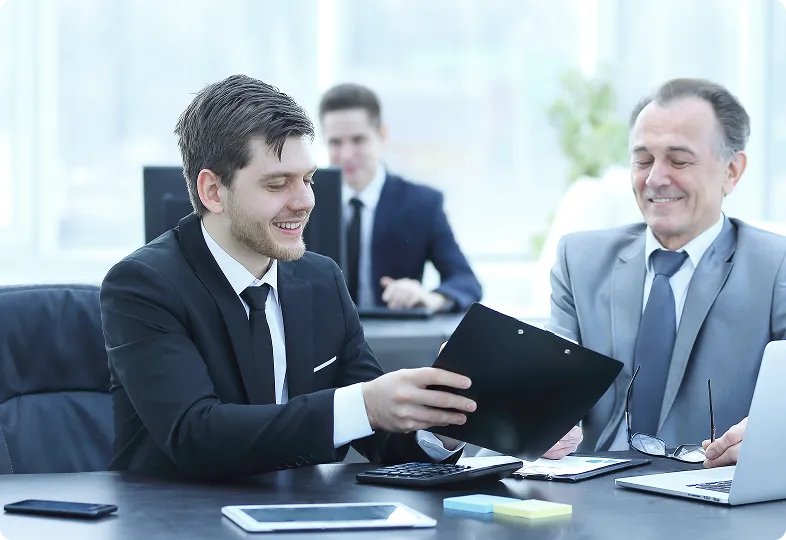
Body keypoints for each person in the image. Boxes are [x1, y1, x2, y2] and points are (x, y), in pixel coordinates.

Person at [101, 75, 575, 479]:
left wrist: (439, 423)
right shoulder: (143, 286)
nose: (305, 200)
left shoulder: (320, 279)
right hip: (182, 522)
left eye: (307, 178)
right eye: (277, 183)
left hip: (306, 517)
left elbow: (381, 440)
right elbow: (194, 434)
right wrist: (362, 405)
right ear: (212, 191)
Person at [546, 78, 786, 466]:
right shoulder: (580, 258)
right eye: (643, 160)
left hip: (714, 489)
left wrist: (775, 439)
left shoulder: (775, 266)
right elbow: (548, 380)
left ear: (732, 171)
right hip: (594, 488)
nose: (655, 178)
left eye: (679, 160)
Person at [318, 83, 482, 312]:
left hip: (395, 340)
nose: (346, 155)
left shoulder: (422, 204)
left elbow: (466, 282)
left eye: (358, 140)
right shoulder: (305, 202)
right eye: (335, 142)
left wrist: (428, 299)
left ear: (382, 135)